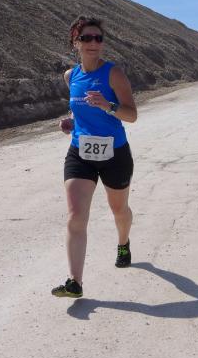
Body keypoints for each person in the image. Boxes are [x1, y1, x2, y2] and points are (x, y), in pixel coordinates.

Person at [52, 16, 138, 298]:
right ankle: (74, 282)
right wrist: (71, 122)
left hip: (114, 153)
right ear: (75, 42)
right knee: (76, 216)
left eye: (98, 38)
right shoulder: (71, 76)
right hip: (80, 153)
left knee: (119, 210)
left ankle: (123, 243)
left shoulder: (114, 74)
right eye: (86, 38)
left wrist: (108, 105)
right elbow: (79, 111)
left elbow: (132, 115)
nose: (93, 43)